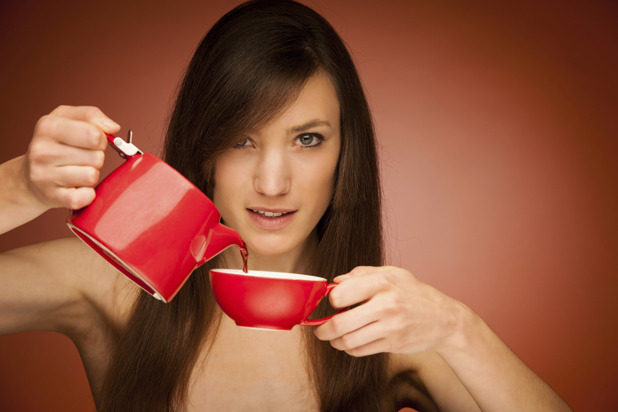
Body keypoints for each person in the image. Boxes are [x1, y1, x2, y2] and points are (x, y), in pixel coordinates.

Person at [0, 1, 572, 411]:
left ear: (347, 154)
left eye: (308, 140)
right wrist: (18, 188)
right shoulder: (113, 282)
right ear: (203, 150)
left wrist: (458, 329)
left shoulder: (388, 334)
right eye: (242, 139)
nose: (272, 183)